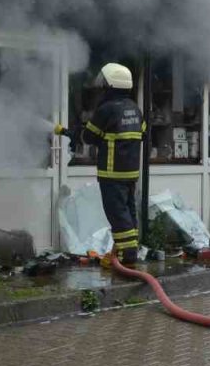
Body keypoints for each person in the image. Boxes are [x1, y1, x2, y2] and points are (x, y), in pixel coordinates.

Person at [55, 62, 145, 264]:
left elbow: (88, 137)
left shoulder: (106, 110)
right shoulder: (135, 109)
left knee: (117, 214)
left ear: (109, 86)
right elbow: (144, 132)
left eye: (103, 85)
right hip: (131, 172)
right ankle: (130, 251)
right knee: (128, 211)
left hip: (112, 173)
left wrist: (75, 133)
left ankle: (126, 256)